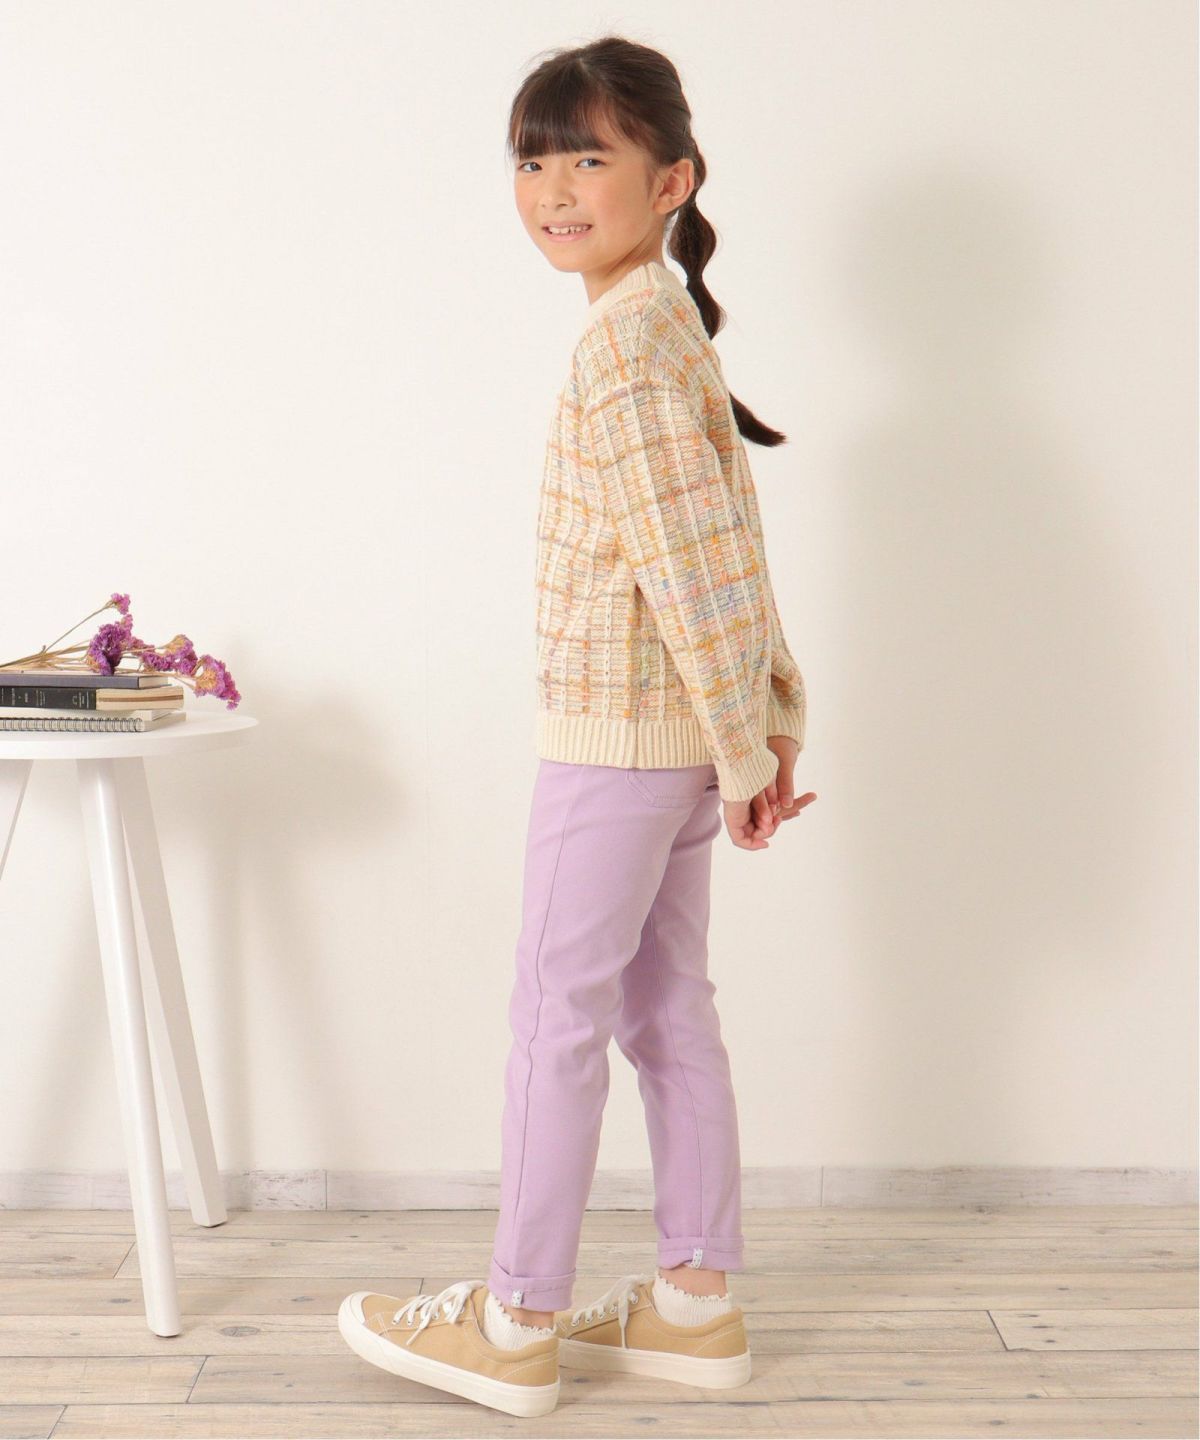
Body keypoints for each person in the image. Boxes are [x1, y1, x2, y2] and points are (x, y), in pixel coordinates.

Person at [337, 34, 817, 1418]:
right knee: (668, 1010)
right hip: (682, 745)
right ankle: (693, 1308)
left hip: (621, 746)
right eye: (532, 160)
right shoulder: (659, 329)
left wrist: (752, 740)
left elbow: (695, 572)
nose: (552, 188)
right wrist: (763, 723)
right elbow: (728, 555)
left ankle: (518, 1318)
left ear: (671, 181)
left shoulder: (627, 350)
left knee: (558, 1017)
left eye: (587, 157)